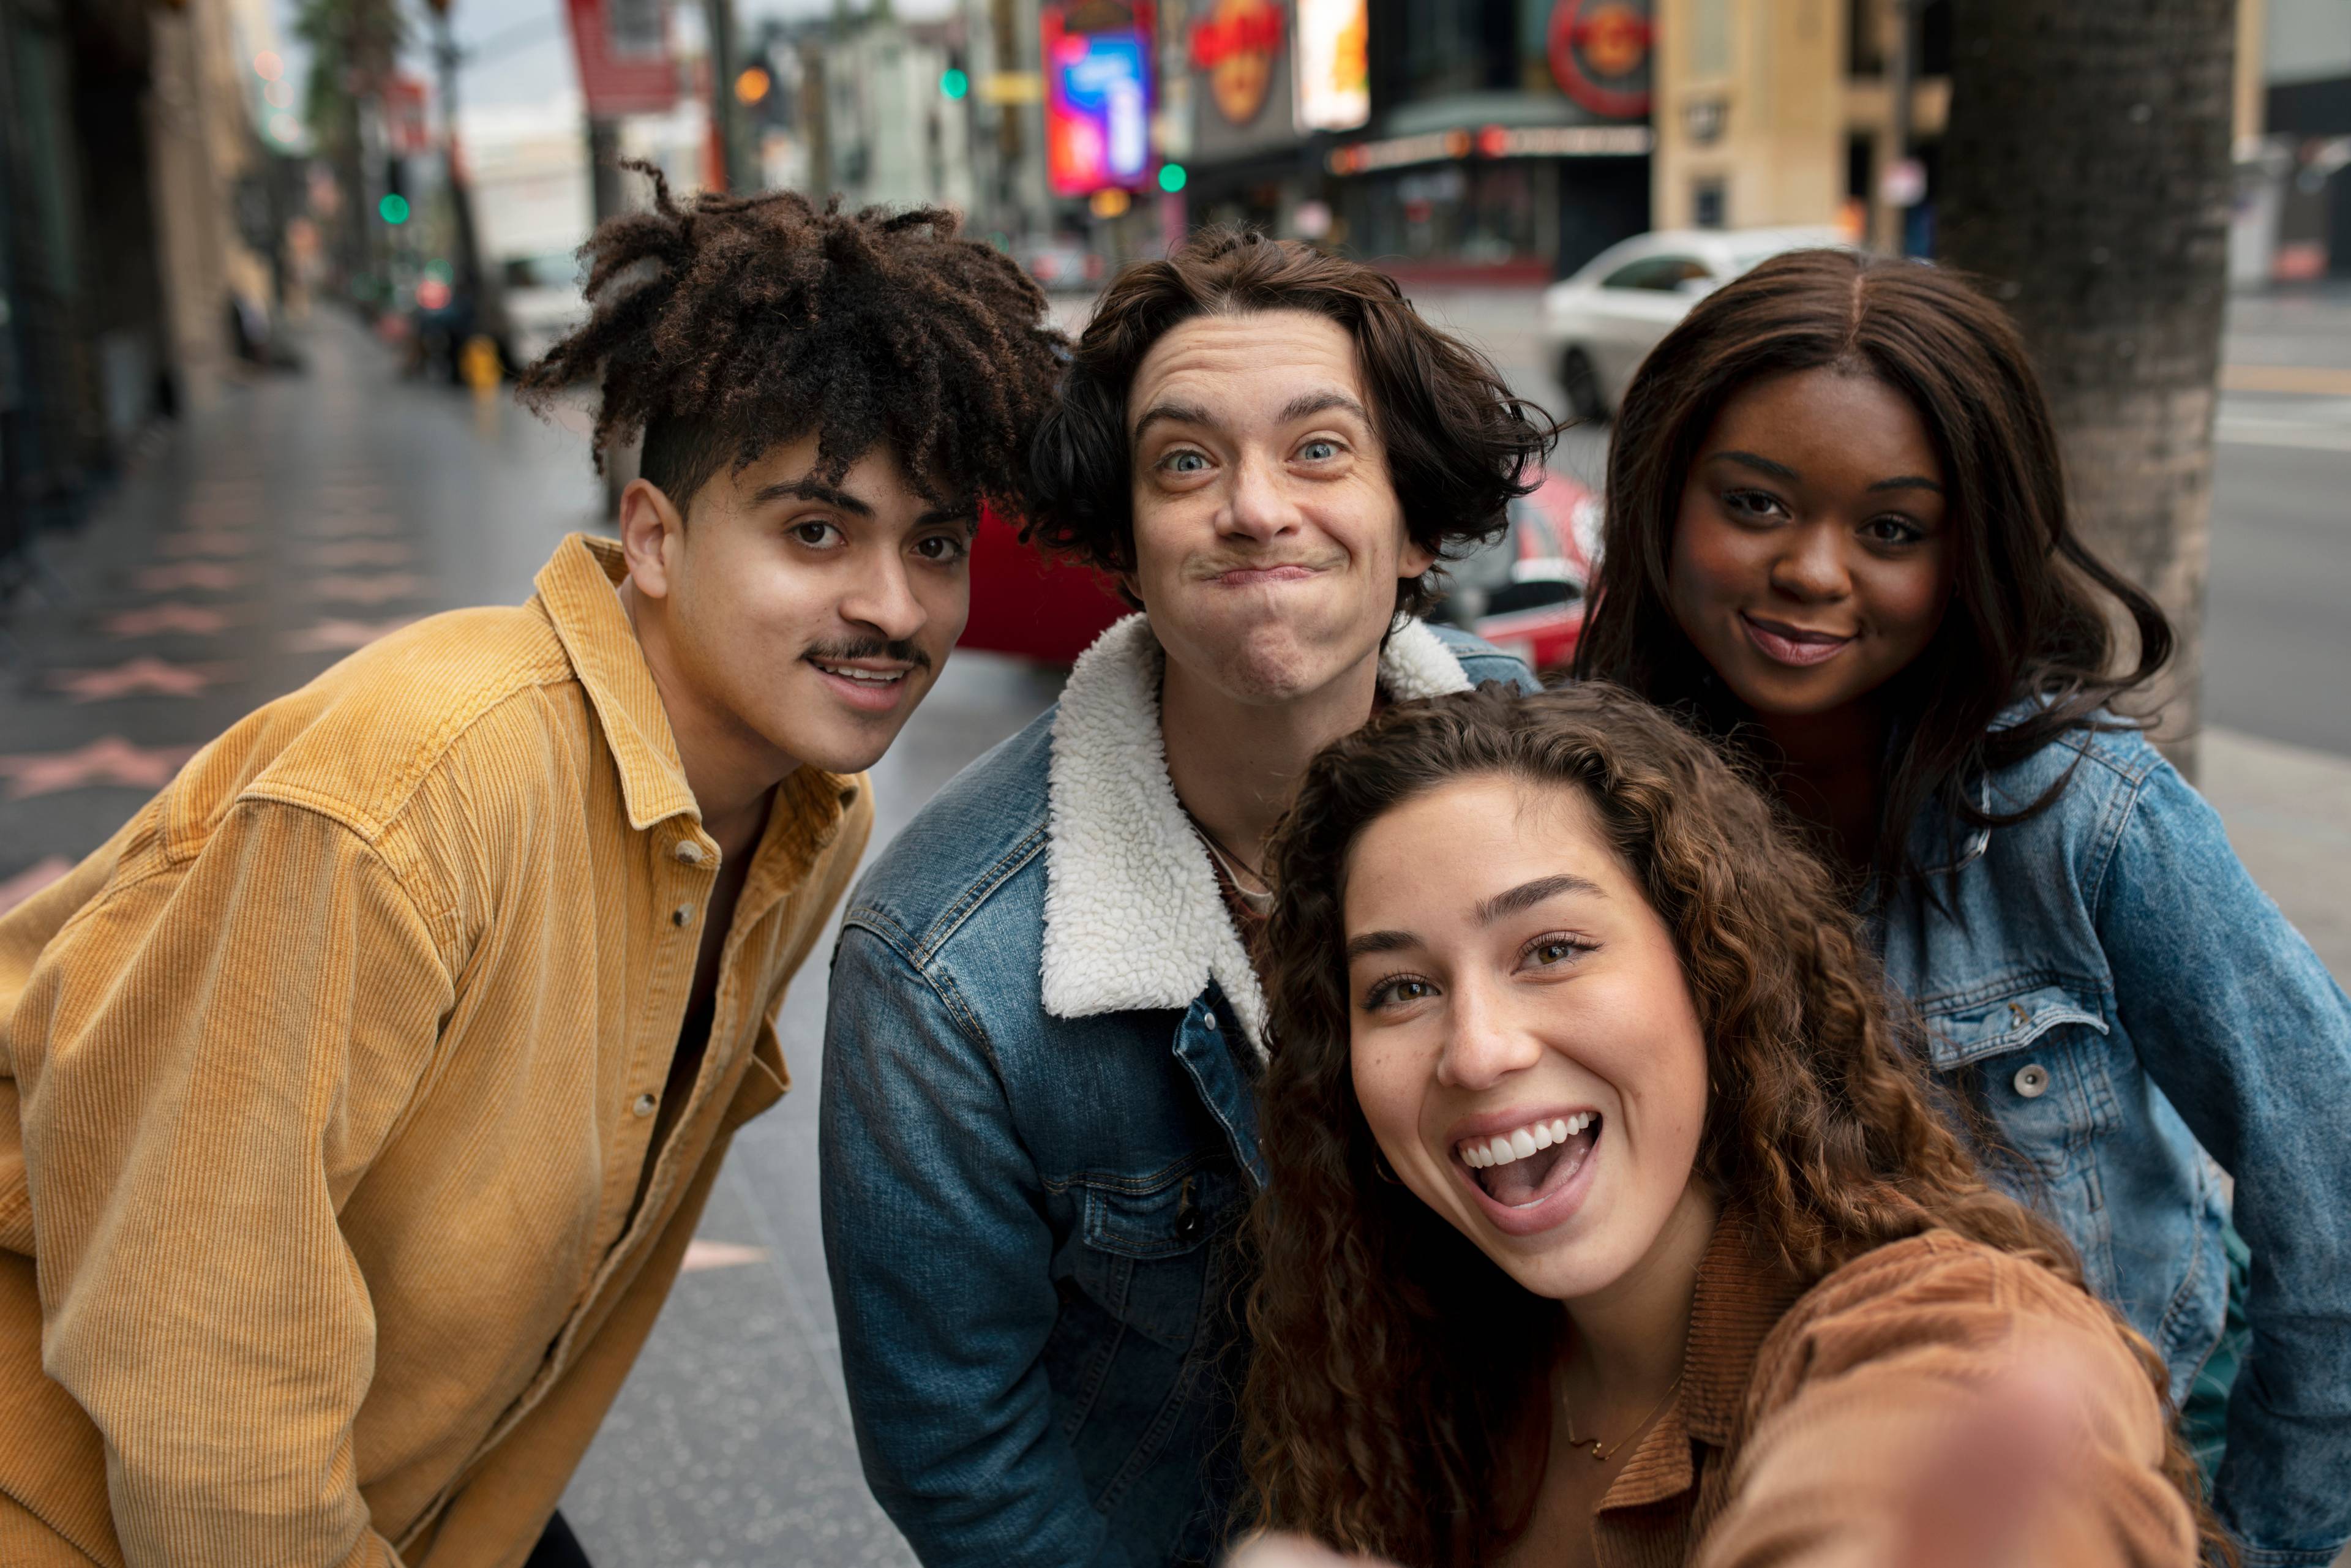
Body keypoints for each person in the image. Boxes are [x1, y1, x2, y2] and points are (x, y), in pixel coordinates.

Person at [0, 171, 1064, 1568]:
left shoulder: (810, 814)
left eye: (933, 545)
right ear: (656, 539)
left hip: (422, 1498)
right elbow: (198, 1354)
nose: (895, 606)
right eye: (816, 531)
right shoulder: (405, 798)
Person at [1572, 247, 2351, 1564]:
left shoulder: (2084, 818)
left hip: (2103, 1471)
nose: (1813, 573)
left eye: (1891, 530)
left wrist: (2264, 1539)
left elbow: (2326, 1175)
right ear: (1662, 496)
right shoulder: (1585, 812)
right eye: (1756, 504)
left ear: (1970, 544)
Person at [819, 229, 1545, 1567]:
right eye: (1187, 462)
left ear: (1418, 531)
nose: (1256, 508)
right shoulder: (940, 965)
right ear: (1124, 543)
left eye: (1321, 450)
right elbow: (962, 1457)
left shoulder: (1570, 789)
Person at [1240, 681, 2216, 1568]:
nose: (1477, 1050)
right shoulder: (1414, 1377)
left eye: (1552, 948)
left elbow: (1926, 1448)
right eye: (1401, 987)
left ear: (1711, 971)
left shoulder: (1948, 1322)